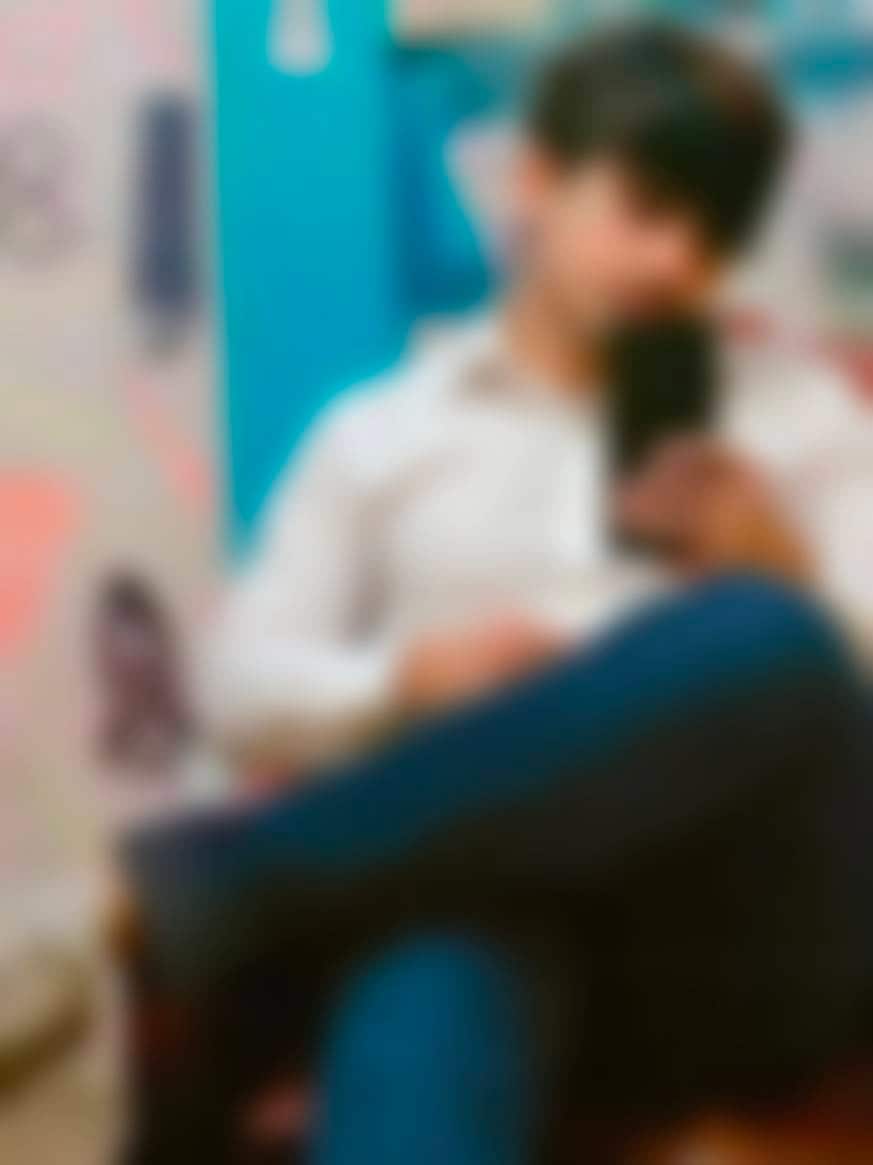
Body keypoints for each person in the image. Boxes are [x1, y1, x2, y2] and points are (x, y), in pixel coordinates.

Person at [118, 22, 873, 1164]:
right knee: (446, 938)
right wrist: (399, 680)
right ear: (535, 182)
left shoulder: (800, 415)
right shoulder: (385, 436)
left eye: (712, 235)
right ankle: (251, 904)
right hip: (482, 903)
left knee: (765, 631)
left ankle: (230, 891)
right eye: (645, 209)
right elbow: (240, 687)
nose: (676, 263)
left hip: (736, 942)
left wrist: (789, 573)